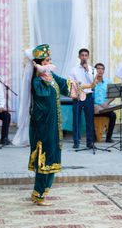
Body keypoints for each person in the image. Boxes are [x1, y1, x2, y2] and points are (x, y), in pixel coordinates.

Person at [27, 44, 95, 205]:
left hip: (53, 127)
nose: (50, 62)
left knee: (53, 157)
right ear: (39, 63)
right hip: (43, 128)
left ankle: (40, 193)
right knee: (45, 159)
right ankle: (39, 194)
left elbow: (65, 84)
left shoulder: (51, 76)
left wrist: (86, 86)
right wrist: (38, 71)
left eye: (50, 59)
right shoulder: (37, 82)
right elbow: (42, 98)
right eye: (47, 60)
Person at [69, 48, 96, 149]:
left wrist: (87, 70)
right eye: (82, 55)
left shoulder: (92, 70)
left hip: (88, 97)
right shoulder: (74, 70)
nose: (84, 57)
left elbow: (93, 83)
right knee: (76, 119)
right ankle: (76, 141)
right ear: (79, 57)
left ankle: (90, 142)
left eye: (86, 55)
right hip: (78, 97)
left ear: (88, 57)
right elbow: (72, 83)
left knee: (89, 120)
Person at [93, 63, 116, 143]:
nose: (100, 70)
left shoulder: (108, 82)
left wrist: (107, 103)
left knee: (113, 115)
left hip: (104, 107)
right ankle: (94, 137)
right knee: (88, 113)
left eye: (102, 69)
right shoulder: (91, 82)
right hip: (94, 108)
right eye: (98, 68)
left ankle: (108, 137)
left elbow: (113, 95)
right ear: (94, 71)